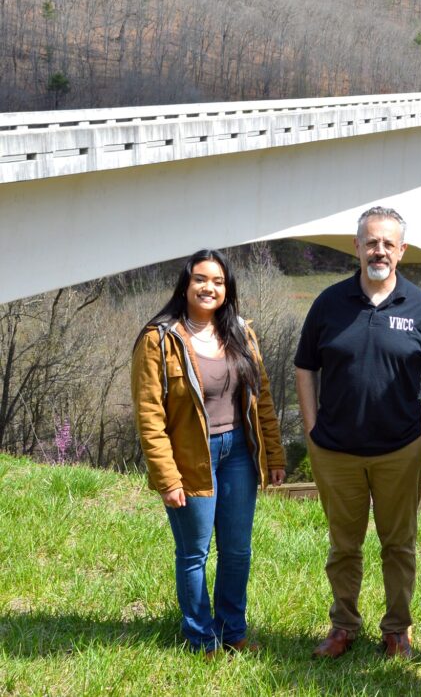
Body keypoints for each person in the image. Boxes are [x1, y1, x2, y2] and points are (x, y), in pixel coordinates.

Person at [295, 206, 421, 660]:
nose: (378, 250)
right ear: (356, 247)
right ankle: (343, 626)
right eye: (370, 241)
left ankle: (397, 630)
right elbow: (305, 368)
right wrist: (310, 429)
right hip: (335, 450)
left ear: (401, 251)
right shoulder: (329, 303)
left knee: (398, 545)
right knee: (344, 546)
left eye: (388, 243)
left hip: (400, 449)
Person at [131, 249, 285, 656]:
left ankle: (233, 631)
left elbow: (262, 399)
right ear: (185, 285)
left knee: (237, 550)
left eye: (218, 282)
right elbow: (150, 414)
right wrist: (167, 478)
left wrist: (275, 455)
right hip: (190, 459)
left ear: (226, 289)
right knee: (194, 552)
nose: (209, 287)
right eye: (201, 279)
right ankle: (201, 637)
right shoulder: (158, 339)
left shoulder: (241, 333)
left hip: (238, 455)